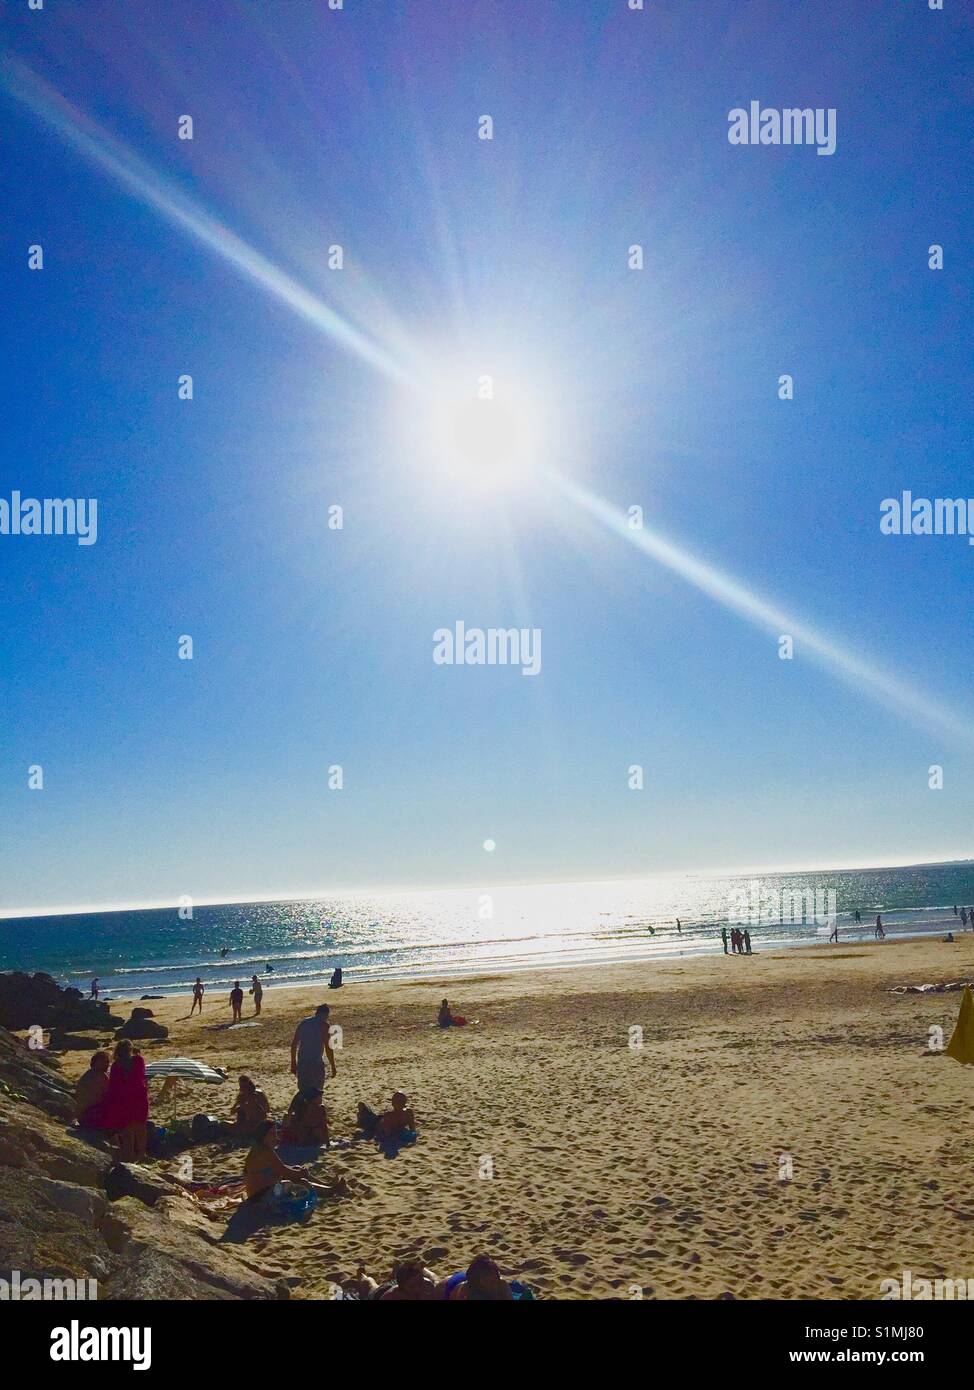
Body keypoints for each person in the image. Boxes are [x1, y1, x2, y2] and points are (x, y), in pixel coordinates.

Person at [243, 1120, 331, 1203]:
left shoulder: (260, 1147)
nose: (275, 1136)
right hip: (258, 1195)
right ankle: (329, 1190)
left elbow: (281, 1168)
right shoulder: (265, 1152)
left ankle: (326, 1186)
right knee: (302, 1182)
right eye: (271, 1134)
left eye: (275, 1133)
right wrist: (301, 1173)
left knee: (296, 1169)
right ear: (263, 1135)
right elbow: (284, 1170)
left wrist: (298, 1171)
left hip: (259, 1189)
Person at [100, 1039, 149, 1161]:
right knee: (140, 1127)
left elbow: (113, 1087)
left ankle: (130, 1155)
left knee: (128, 1129)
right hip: (139, 1097)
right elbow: (142, 1076)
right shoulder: (138, 1060)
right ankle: (141, 1153)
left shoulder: (116, 1066)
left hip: (123, 1099)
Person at [290, 1004, 337, 1093]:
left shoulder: (304, 1023)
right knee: (317, 1092)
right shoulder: (324, 1026)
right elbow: (328, 1048)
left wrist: (293, 1062)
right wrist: (333, 1066)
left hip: (302, 1062)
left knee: (303, 1092)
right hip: (315, 1064)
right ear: (324, 1015)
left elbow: (294, 1044)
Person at [439, 1254, 515, 1302]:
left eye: (494, 1279)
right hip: (448, 1285)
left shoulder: (501, 1284)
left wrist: (495, 1295)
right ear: (478, 1280)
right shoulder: (465, 1290)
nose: (492, 1283)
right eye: (487, 1279)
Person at [74, 1051, 110, 1126]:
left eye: (108, 1062)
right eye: (105, 1062)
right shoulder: (101, 1076)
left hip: (81, 1117)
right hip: (91, 1116)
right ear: (97, 1062)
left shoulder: (87, 1074)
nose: (107, 1064)